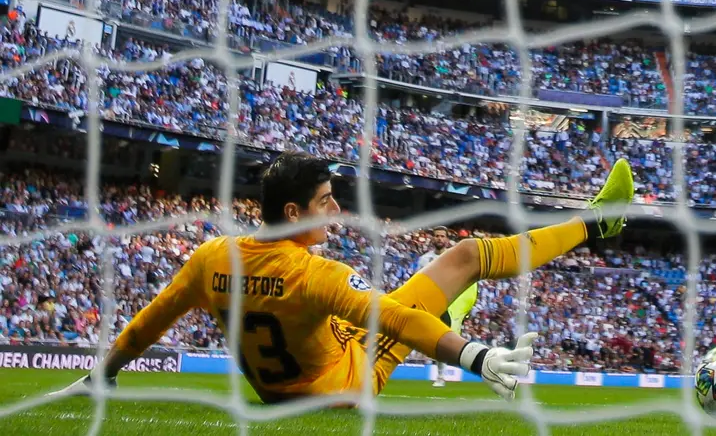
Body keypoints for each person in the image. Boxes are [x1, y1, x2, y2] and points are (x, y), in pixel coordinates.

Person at [52, 152, 635, 404]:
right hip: (342, 388)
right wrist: (477, 356)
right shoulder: (318, 274)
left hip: (281, 389)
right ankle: (594, 227)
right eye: (327, 201)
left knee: (405, 300)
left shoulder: (210, 260)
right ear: (293, 214)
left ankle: (454, 312)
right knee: (464, 257)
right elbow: (395, 317)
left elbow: (150, 322)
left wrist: (100, 376)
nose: (336, 210)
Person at [417, 226, 479, 388]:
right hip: (427, 303)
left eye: (442, 236)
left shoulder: (453, 257)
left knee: (441, 340)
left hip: (446, 304)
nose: (439, 238)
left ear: (447, 239)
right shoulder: (424, 260)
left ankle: (440, 375)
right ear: (433, 238)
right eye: (436, 236)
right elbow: (416, 282)